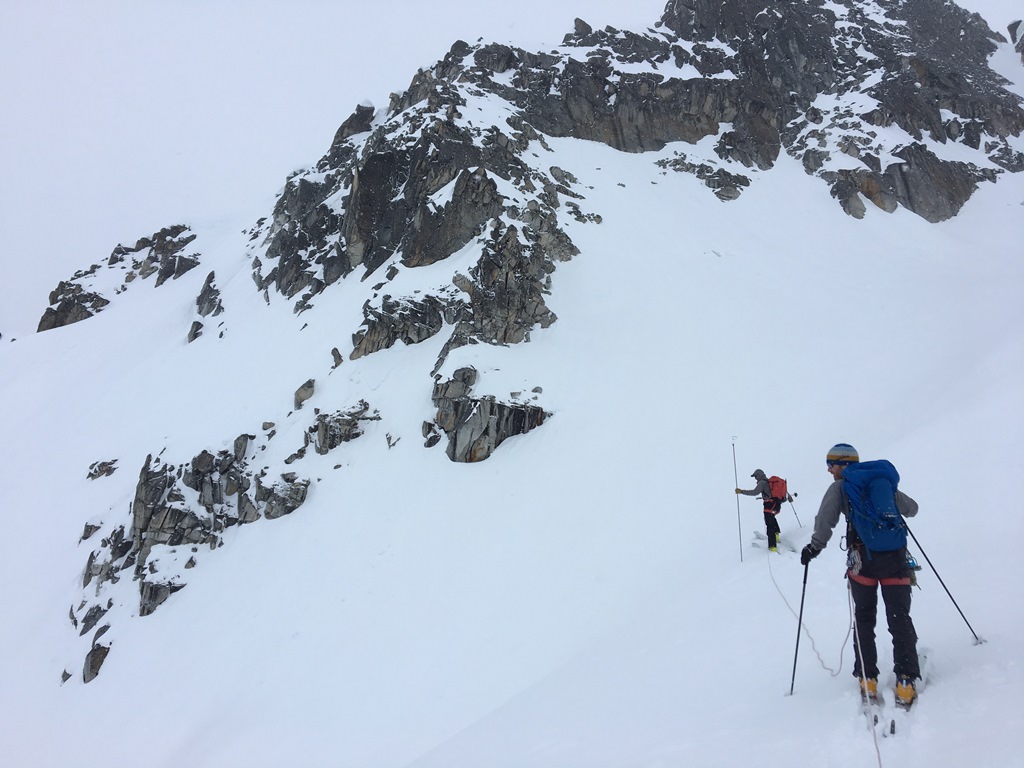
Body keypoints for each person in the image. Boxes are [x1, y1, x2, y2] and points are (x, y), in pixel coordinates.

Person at [800, 443, 921, 707]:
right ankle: (906, 682)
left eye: (830, 464)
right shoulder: (881, 482)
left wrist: (814, 548)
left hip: (862, 563)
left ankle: (868, 679)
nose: (829, 470)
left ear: (842, 464)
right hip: (897, 560)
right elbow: (912, 508)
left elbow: (825, 520)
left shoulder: (840, 487)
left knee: (865, 619)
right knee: (899, 618)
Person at [736, 469, 783, 552]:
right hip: (776, 504)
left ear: (759, 475)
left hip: (768, 505)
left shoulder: (762, 482)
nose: (755, 478)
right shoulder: (769, 482)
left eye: (756, 476)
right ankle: (776, 536)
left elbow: (755, 492)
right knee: (772, 519)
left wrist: (742, 491)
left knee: (769, 524)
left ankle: (773, 546)